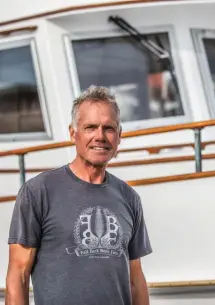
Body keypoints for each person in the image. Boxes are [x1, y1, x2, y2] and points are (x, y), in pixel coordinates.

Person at [5, 85, 152, 305]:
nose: (100, 136)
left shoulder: (129, 197)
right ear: (73, 133)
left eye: (109, 128)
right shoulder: (38, 192)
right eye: (90, 127)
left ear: (119, 135)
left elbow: (135, 278)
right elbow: (18, 275)